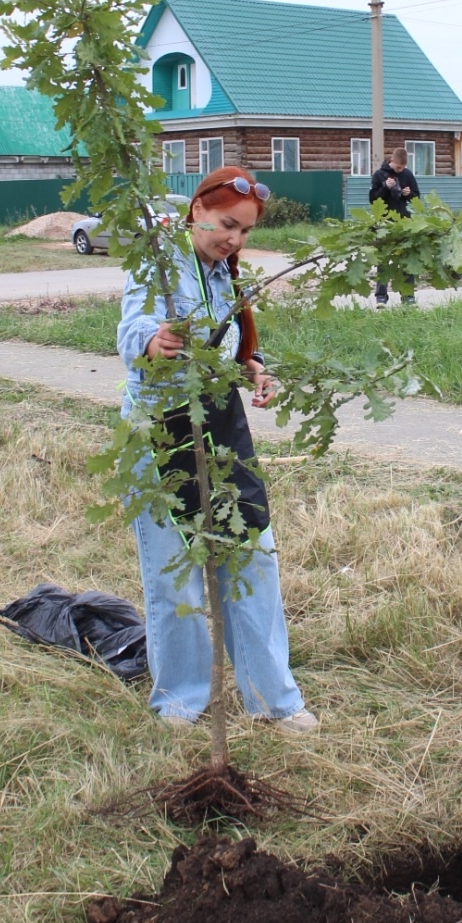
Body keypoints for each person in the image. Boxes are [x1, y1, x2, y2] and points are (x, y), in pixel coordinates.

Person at [116, 165, 318, 733]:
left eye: (246, 231)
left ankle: (273, 700)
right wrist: (151, 341)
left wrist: (252, 366)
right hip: (161, 432)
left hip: (220, 428)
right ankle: (179, 701)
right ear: (198, 210)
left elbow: (223, 342)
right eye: (228, 224)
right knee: (174, 573)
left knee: (253, 553)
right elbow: (131, 328)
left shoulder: (221, 272)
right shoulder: (160, 259)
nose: (235, 239)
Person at [369, 146, 420, 306]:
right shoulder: (379, 175)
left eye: (403, 167)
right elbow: (373, 199)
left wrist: (409, 194)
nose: (401, 170)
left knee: (407, 259)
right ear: (392, 161)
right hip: (384, 223)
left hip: (403, 222)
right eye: (398, 167)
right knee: (383, 261)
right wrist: (385, 187)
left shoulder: (407, 174)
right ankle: (381, 296)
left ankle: (408, 295)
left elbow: (417, 197)